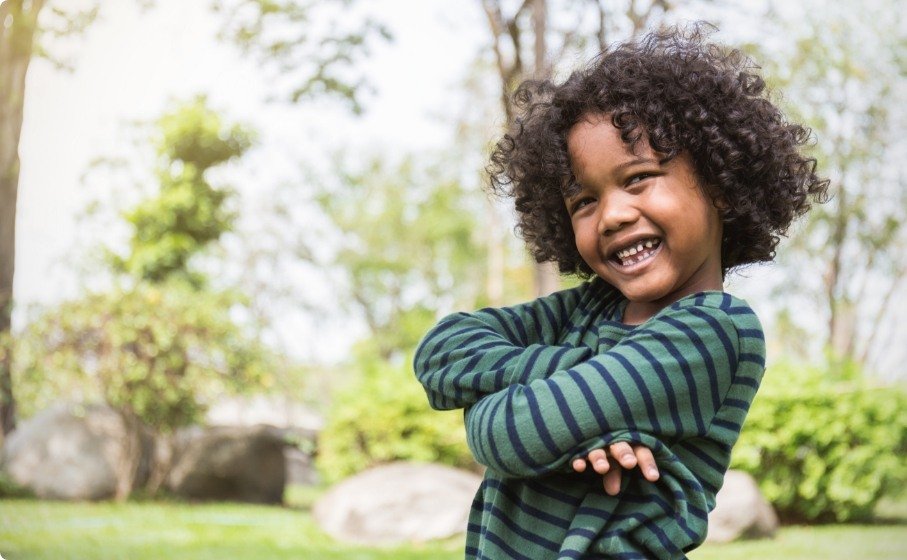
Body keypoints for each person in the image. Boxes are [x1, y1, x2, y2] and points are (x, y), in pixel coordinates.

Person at [414, 24, 827, 559]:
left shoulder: (716, 330)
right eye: (583, 201)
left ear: (721, 185)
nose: (612, 214)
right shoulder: (587, 309)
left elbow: (505, 434)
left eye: (638, 179)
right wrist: (581, 379)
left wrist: (496, 396)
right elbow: (441, 350)